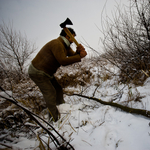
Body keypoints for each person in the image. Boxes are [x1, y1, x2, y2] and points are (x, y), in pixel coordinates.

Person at [28, 27, 87, 122]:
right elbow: (63, 61)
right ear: (67, 36)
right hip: (37, 71)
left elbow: (72, 56)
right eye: (73, 38)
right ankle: (54, 119)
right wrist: (79, 56)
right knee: (50, 92)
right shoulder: (57, 44)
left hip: (47, 72)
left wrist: (78, 52)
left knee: (58, 89)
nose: (73, 41)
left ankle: (62, 108)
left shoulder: (65, 46)